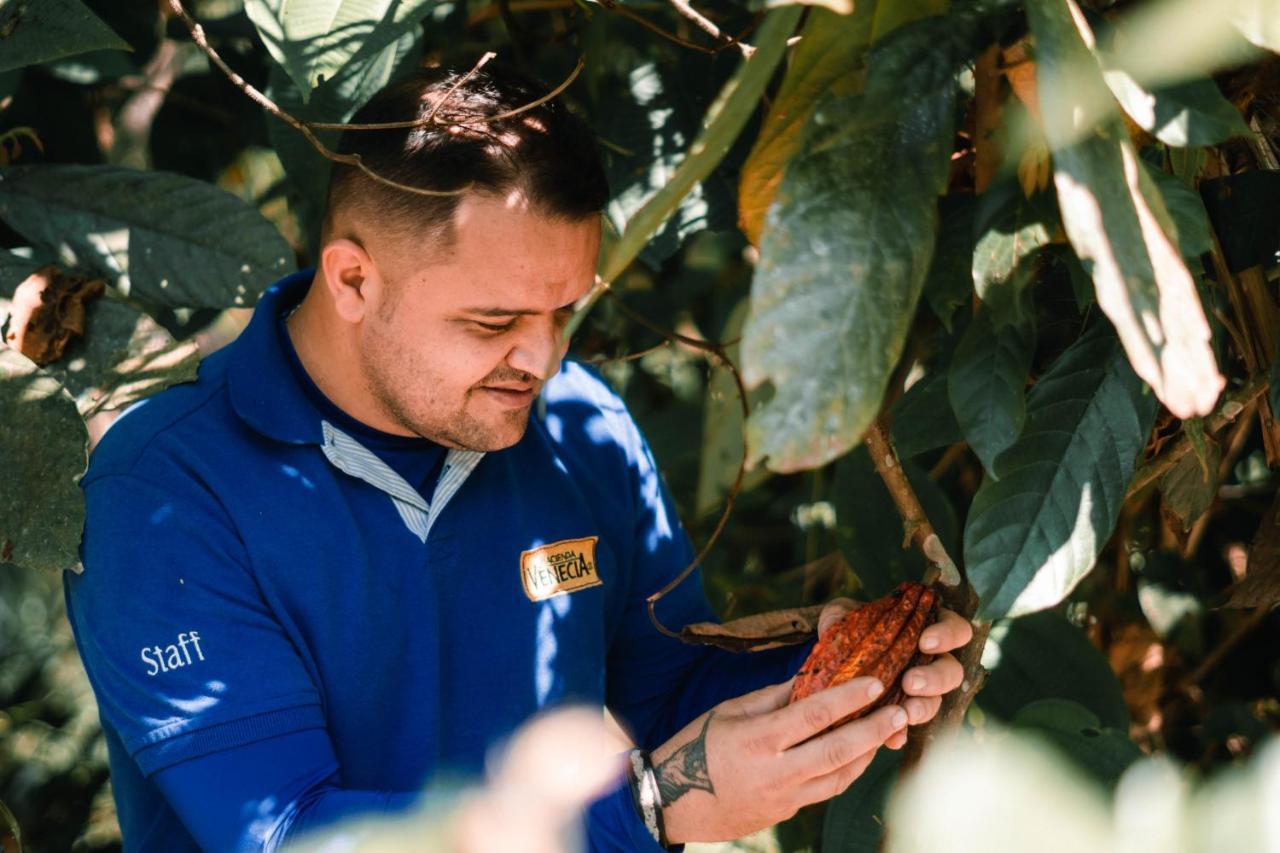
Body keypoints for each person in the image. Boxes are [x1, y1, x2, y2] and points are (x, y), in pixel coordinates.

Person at [62, 61, 973, 851]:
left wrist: (835, 682)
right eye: (493, 322)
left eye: (563, 313)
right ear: (353, 279)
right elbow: (289, 832)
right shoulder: (166, 493)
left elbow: (671, 691)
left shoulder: (580, 426)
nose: (540, 359)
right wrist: (648, 807)